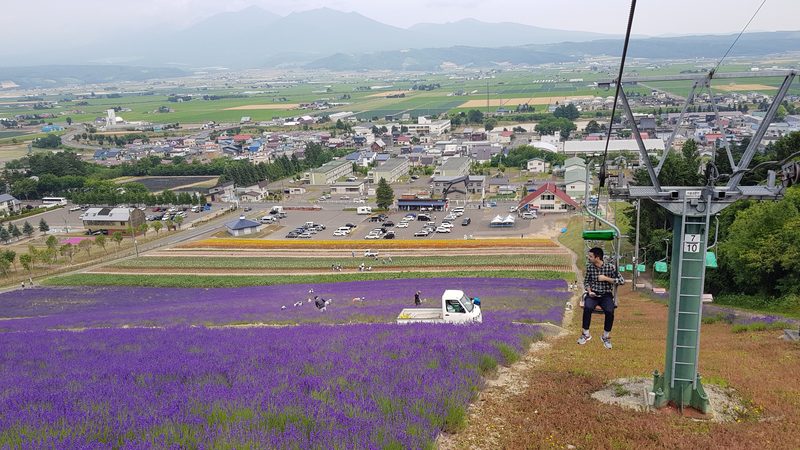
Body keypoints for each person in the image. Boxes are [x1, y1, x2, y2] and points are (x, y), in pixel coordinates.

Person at [578, 247, 625, 349]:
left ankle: (605, 336)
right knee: (588, 308)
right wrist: (589, 291)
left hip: (606, 295)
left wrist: (606, 278)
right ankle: (586, 334)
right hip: (593, 294)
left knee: (609, 311)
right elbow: (586, 282)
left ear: (597, 257)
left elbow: (621, 281)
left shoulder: (610, 267)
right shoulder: (590, 268)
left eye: (590, 256)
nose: (589, 258)